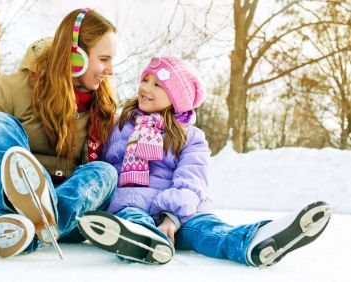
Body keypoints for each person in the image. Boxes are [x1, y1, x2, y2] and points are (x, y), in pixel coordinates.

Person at [77, 56, 332, 266]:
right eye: (145, 79)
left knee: (208, 230)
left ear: (177, 98)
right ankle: (143, 241)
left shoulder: (191, 137)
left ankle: (253, 241)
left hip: (182, 213)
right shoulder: (121, 124)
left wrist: (172, 218)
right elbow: (103, 162)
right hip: (131, 203)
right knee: (132, 219)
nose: (145, 87)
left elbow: (192, 180)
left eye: (157, 85)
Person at [0, 8, 118, 259]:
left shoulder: (104, 104)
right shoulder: (14, 87)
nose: (110, 69)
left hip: (67, 210)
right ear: (75, 57)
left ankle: (21, 229)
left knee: (107, 172)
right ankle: (29, 210)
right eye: (104, 59)